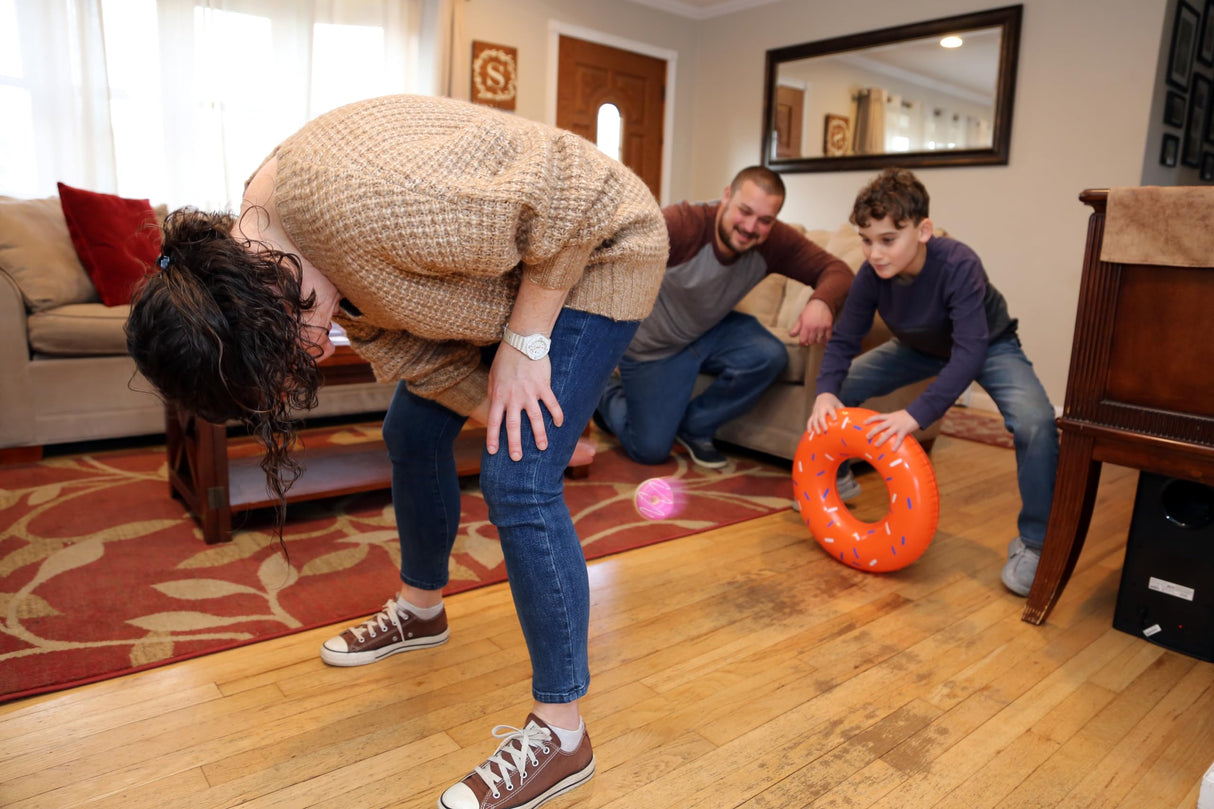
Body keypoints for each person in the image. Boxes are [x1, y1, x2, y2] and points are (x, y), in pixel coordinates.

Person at [124, 94, 668, 809]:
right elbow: (416, 352)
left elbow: (578, 191)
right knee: (411, 430)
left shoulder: (361, 202)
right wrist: (505, 405)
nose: (312, 355)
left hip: (601, 249)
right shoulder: (276, 250)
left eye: (286, 349)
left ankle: (563, 734)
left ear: (256, 302)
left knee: (518, 481)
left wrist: (528, 345)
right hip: (503, 282)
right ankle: (422, 607)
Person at [807, 168, 1059, 597]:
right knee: (841, 388)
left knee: (1036, 423)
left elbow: (969, 352)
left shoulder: (959, 264)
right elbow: (846, 337)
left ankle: (1036, 543)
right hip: (918, 346)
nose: (875, 253)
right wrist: (826, 391)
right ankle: (840, 478)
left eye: (888, 239)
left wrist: (915, 415)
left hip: (988, 345)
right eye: (866, 240)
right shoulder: (870, 274)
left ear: (922, 230)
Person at [594, 165, 855, 478]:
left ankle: (695, 426)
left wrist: (821, 301)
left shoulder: (775, 241)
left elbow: (838, 271)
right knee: (649, 450)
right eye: (744, 211)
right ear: (727, 196)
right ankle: (605, 392)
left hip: (711, 331)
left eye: (764, 220)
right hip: (654, 348)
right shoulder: (683, 225)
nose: (750, 226)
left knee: (769, 356)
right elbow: (608, 253)